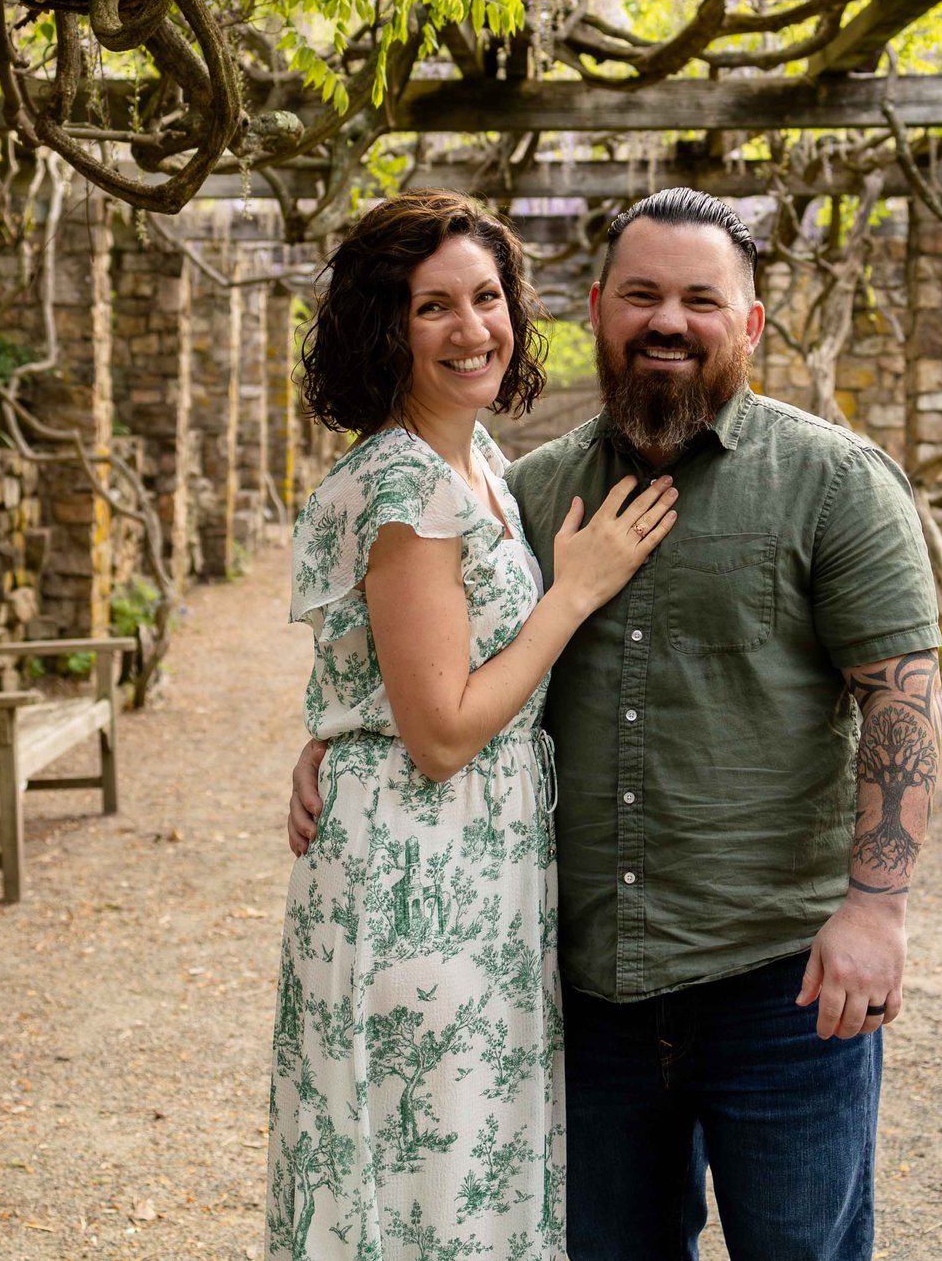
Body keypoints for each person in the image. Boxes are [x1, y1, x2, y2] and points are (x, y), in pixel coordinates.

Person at [291, 187, 942, 1261]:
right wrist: (341, 740)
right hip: (577, 993)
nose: (667, 320)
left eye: (701, 297)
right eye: (641, 293)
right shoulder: (529, 493)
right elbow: (442, 661)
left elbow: (903, 696)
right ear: (595, 309)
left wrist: (877, 904)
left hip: (775, 988)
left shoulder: (833, 482)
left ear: (749, 322)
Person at [267, 190, 680, 1261]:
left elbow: (390, 677)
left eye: (488, 297)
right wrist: (573, 591)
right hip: (415, 879)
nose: (473, 328)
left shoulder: (480, 464)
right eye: (432, 306)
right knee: (416, 1179)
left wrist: (334, 728)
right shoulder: (409, 483)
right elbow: (441, 729)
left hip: (475, 870)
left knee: (468, 1168)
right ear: (383, 327)